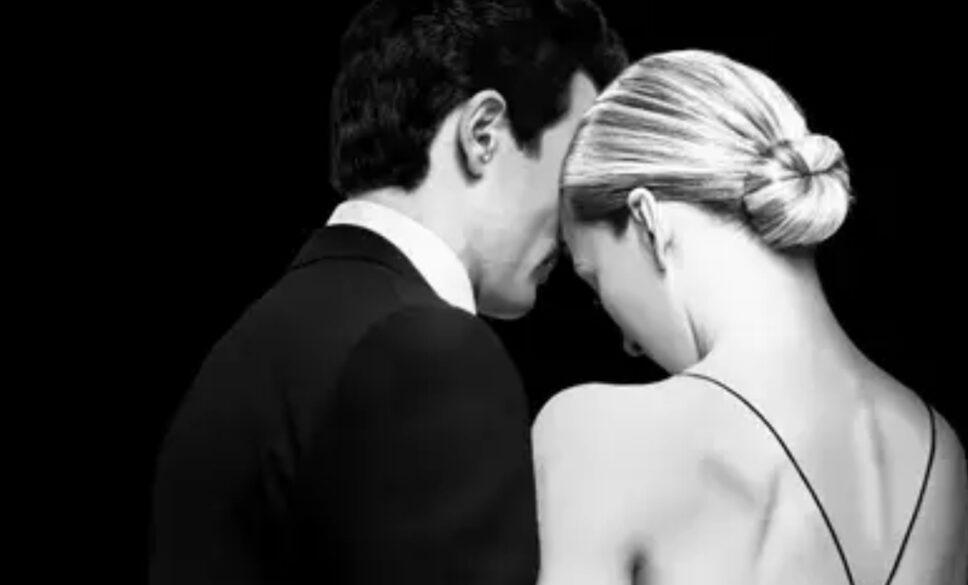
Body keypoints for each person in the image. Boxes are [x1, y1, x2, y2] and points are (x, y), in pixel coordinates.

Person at [148, 1, 627, 583]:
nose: (577, 219)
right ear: (483, 133)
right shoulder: (432, 354)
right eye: (572, 166)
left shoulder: (258, 342)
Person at [534, 50, 968, 585]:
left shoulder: (596, 430)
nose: (628, 341)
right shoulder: (937, 454)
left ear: (648, 221)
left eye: (596, 281)